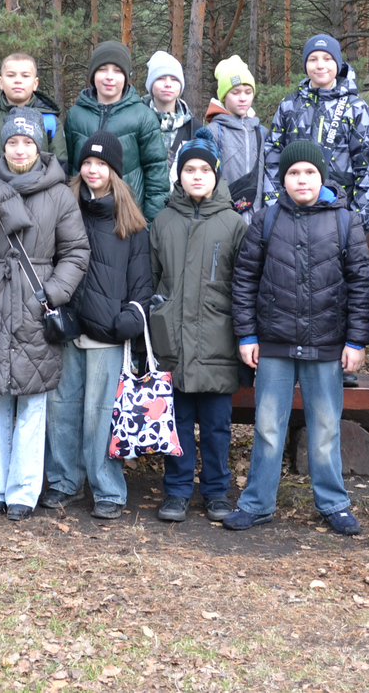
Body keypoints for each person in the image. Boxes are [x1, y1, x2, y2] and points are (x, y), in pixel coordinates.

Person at [225, 142, 369, 533]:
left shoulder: (345, 221)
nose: (301, 179)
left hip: (327, 346)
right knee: (267, 427)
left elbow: (361, 283)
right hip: (274, 343)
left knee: (325, 427)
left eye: (309, 172)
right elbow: (245, 279)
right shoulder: (266, 219)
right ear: (283, 179)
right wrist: (246, 334)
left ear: (322, 176)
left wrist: (357, 342)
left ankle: (333, 503)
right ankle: (257, 503)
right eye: (294, 173)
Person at [0, 108, 90, 520]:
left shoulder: (60, 194)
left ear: (39, 146)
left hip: (37, 304)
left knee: (33, 406)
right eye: (12, 141)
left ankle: (23, 493)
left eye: (27, 142)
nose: (19, 149)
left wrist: (52, 293)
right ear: (3, 146)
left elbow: (76, 252)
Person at [42, 132, 154, 519]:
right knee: (62, 409)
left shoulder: (132, 222)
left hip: (107, 333)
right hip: (67, 329)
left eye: (102, 164)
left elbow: (142, 281)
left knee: (100, 412)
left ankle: (107, 488)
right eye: (88, 163)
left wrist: (131, 317)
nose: (93, 170)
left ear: (114, 171)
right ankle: (63, 482)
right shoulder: (64, 208)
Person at [148, 141, 248, 523]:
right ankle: (176, 490)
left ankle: (216, 490)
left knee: (217, 425)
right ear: (179, 176)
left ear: (216, 175)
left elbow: (242, 285)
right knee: (176, 422)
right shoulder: (163, 221)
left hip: (216, 340)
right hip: (171, 340)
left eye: (204, 171)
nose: (197, 176)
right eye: (190, 170)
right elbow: (154, 281)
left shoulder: (233, 223)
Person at [262, 33, 369, 227]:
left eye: (327, 58)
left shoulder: (356, 108)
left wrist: (359, 220)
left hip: (339, 214)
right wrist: (273, 207)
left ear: (338, 63)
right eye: (313, 59)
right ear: (306, 64)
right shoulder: (289, 105)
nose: (320, 65)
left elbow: (365, 166)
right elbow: (273, 157)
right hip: (292, 213)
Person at [66, 41, 171, 220]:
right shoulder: (75, 115)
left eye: (117, 70)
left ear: (126, 76)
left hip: (128, 222)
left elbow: (157, 178)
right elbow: (69, 169)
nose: (109, 77)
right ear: (92, 75)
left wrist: (149, 225)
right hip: (82, 220)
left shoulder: (143, 116)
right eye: (102, 69)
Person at [0, 52, 68, 192]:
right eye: (11, 75)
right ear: (1, 82)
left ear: (35, 83)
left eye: (25, 76)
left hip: (41, 203)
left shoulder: (50, 121)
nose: (18, 80)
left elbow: (59, 169)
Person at [195, 55, 264, 218]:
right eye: (235, 92)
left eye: (248, 92)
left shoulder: (261, 132)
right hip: (222, 219)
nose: (243, 98)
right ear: (224, 96)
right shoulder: (213, 131)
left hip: (257, 219)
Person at [144, 50, 202, 167]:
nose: (168, 84)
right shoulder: (137, 121)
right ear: (150, 83)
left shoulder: (194, 127)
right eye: (161, 78)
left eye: (174, 79)